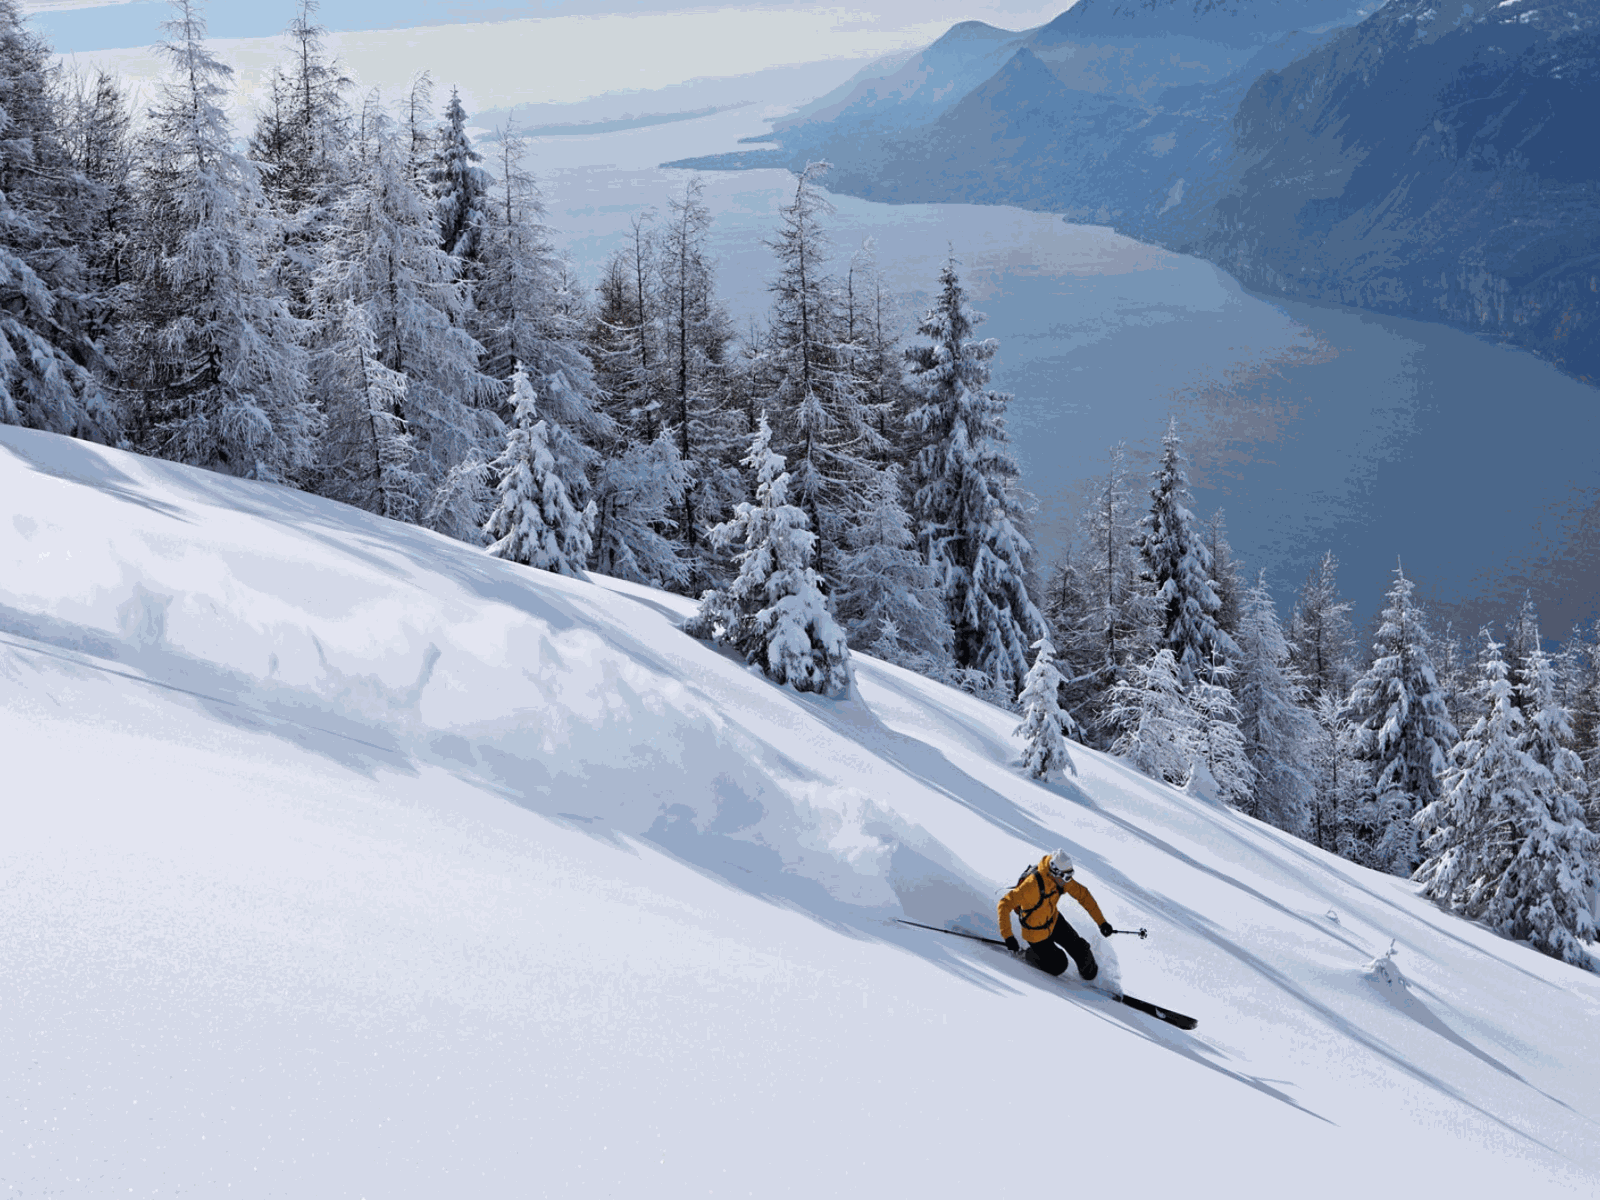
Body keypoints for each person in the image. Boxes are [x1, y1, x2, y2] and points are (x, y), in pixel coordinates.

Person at [997, 849, 1114, 981]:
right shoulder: (1031, 885)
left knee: (1082, 952)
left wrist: (1101, 922)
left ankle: (1094, 980)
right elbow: (1004, 904)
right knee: (1058, 964)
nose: (1068, 881)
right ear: (1055, 872)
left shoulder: (1061, 880)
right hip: (1035, 932)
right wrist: (1008, 936)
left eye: (1070, 876)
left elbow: (1083, 896)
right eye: (1066, 877)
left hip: (1054, 920)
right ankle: (1027, 955)